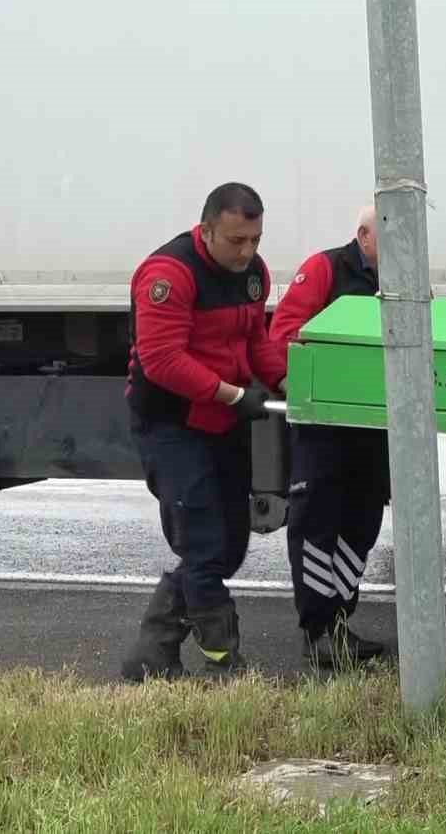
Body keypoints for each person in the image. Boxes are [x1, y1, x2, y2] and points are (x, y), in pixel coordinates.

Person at [119, 182, 287, 681]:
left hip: (221, 423)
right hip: (172, 424)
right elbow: (164, 360)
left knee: (230, 543)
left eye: (255, 239)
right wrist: (237, 396)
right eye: (237, 240)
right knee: (204, 541)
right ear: (207, 229)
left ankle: (151, 652)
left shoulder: (253, 274)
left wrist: (292, 381)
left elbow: (256, 342)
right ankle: (224, 660)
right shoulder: (169, 274)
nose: (248, 251)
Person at [266, 204, 391, 668]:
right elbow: (284, 339)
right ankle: (317, 631)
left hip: (372, 429)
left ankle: (339, 625)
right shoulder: (323, 270)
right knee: (317, 526)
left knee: (360, 527)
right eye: (393, 237)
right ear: (363, 235)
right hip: (325, 430)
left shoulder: (403, 286)